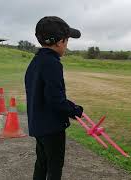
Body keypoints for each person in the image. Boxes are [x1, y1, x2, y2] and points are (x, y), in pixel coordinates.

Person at [25, 16, 84, 179]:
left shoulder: (36, 61)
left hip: (39, 125)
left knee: (42, 163)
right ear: (59, 42)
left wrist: (70, 106)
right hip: (51, 127)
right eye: (66, 41)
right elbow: (55, 99)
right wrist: (74, 110)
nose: (66, 46)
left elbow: (47, 95)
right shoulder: (52, 63)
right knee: (54, 167)